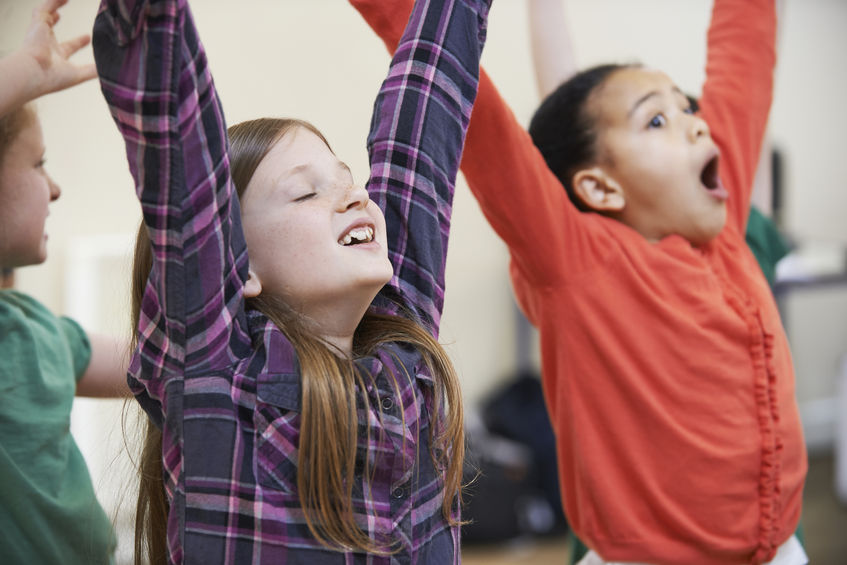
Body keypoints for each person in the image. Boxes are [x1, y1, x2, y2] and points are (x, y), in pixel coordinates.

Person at [350, 0, 807, 564]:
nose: (697, 121)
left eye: (687, 108)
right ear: (599, 188)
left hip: (781, 549)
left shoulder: (725, 223)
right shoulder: (579, 265)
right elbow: (487, 128)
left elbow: (744, 55)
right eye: (656, 119)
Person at [93, 0, 490, 562]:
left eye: (348, 180)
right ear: (238, 266)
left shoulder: (404, 340)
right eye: (307, 193)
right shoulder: (218, 373)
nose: (356, 196)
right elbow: (183, 168)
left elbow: (426, 121)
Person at [0, 1, 127, 563]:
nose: (53, 188)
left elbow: (157, 362)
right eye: (37, 164)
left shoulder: (33, 330)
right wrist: (20, 76)